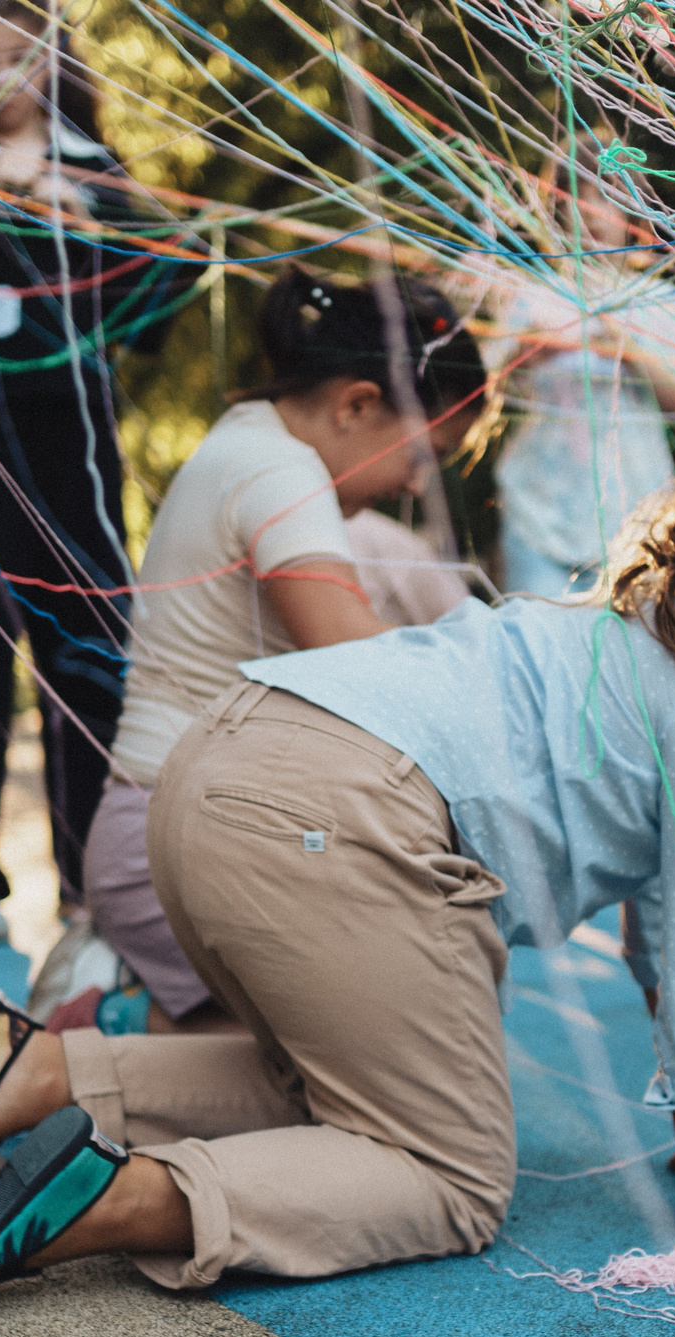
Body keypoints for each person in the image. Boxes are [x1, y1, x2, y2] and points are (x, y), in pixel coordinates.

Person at [0, 389, 675, 1314]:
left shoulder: (654, 622)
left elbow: (663, 916)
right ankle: (123, 1196)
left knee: (345, 1093)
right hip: (332, 817)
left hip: (217, 778)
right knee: (451, 1178)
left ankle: (44, 1073)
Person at [64, 267, 488, 1041]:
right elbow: (367, 668)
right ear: (356, 404)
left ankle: (129, 1013)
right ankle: (103, 1026)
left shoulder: (252, 442)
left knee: (379, 1033)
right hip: (174, 848)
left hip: (168, 833)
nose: (411, 487)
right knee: (378, 1051)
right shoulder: (279, 471)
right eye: (422, 460)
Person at [0, 0, 194, 944]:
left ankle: (93, 877)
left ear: (56, 62)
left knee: (90, 652)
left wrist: (75, 212)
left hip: (75, 450)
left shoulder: (92, 166)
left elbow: (168, 280)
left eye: (23, 58)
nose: (2, 79)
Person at [488, 139, 675, 599]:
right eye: (578, 196)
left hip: (638, 523)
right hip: (538, 519)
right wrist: (526, 355)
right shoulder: (530, 297)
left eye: (606, 196)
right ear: (559, 208)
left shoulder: (660, 302)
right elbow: (490, 397)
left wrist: (634, 354)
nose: (591, 212)